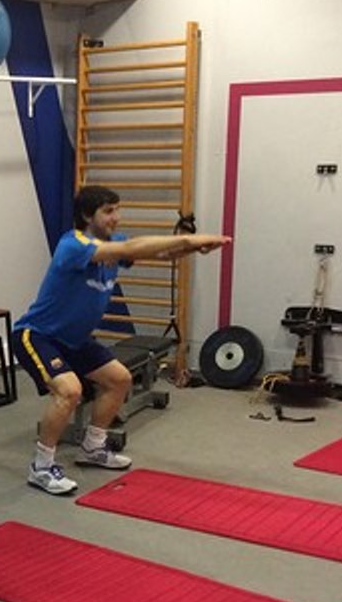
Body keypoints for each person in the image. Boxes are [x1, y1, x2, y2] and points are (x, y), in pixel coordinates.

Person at [12, 185, 232, 495]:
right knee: (69, 391)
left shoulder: (113, 243)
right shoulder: (72, 245)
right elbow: (131, 249)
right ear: (88, 215)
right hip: (38, 335)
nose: (117, 217)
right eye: (108, 211)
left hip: (75, 339)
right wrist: (189, 239)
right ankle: (41, 466)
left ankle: (93, 448)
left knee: (119, 379)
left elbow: (157, 251)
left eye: (118, 209)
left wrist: (192, 248)